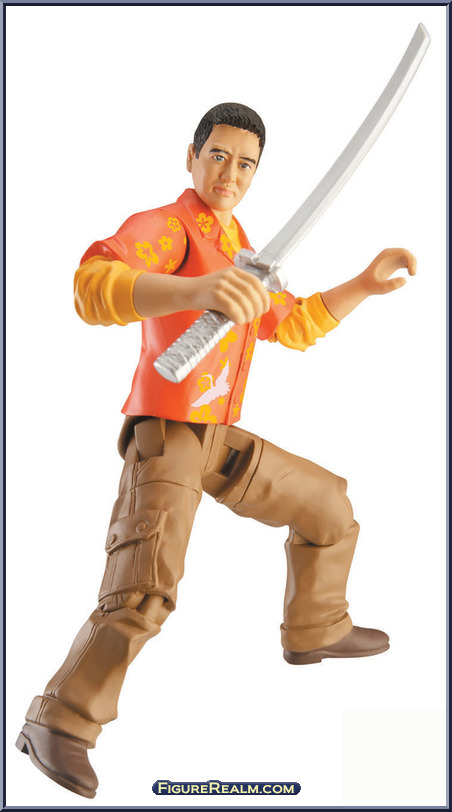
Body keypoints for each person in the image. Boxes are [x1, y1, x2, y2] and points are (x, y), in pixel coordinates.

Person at [16, 102, 416, 799]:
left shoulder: (241, 247)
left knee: (327, 505)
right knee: (143, 588)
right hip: (167, 434)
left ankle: (316, 626)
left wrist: (363, 283)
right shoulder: (167, 228)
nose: (231, 173)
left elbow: (289, 325)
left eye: (247, 163)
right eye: (219, 156)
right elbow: (92, 286)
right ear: (193, 156)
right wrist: (198, 288)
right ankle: (60, 722)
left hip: (217, 436)